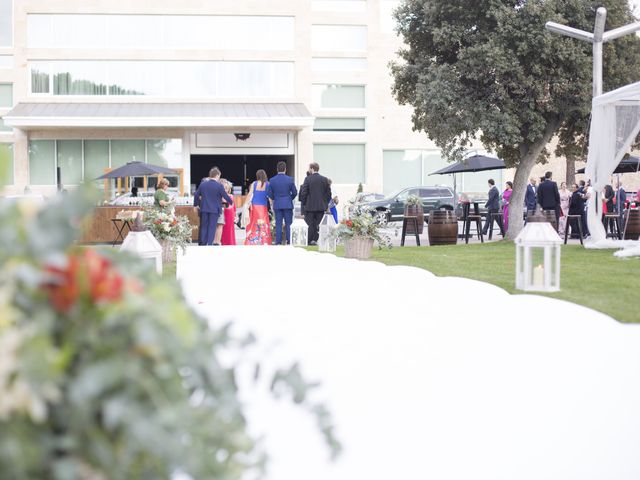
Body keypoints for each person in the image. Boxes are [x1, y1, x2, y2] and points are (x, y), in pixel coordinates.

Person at [193, 167, 232, 246]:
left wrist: (195, 205)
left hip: (204, 209)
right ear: (217, 175)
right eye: (219, 176)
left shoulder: (203, 184)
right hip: (214, 210)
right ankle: (209, 243)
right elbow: (225, 195)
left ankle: (203, 243)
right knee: (212, 227)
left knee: (204, 226)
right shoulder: (219, 186)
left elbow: (196, 195)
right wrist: (231, 201)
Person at [299, 162, 331, 246]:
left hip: (310, 206)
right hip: (321, 206)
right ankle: (319, 240)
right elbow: (328, 194)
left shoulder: (308, 179)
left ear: (312, 169)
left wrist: (304, 203)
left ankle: (309, 240)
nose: (309, 170)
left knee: (309, 224)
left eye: (309, 168)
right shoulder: (324, 179)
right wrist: (325, 203)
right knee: (319, 224)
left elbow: (304, 193)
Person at [267, 161, 297, 245]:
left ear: (277, 169)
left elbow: (269, 194)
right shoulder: (290, 179)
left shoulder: (272, 180)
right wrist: (289, 198)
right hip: (287, 204)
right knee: (288, 223)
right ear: (285, 169)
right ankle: (289, 241)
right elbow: (295, 192)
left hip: (277, 204)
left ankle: (278, 242)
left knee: (278, 223)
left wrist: (275, 198)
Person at [244, 169, 272, 245]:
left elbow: (250, 194)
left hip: (255, 206)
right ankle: (264, 240)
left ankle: (252, 240)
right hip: (263, 206)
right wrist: (272, 205)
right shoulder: (267, 184)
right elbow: (269, 197)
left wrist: (246, 204)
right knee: (264, 223)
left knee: (253, 223)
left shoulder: (254, 183)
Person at [221, 179, 237, 246]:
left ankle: (231, 242)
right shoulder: (220, 196)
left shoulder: (231, 196)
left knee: (230, 228)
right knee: (223, 228)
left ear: (229, 189)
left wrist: (235, 215)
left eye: (226, 188)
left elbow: (234, 206)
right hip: (224, 213)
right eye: (224, 188)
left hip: (230, 214)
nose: (225, 189)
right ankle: (223, 242)